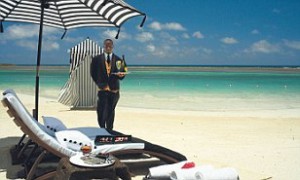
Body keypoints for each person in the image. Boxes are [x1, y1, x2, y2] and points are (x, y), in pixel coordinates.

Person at [90, 39, 127, 130]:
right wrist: (100, 84)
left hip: (114, 91)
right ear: (104, 46)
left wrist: (122, 75)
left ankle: (109, 131)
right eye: (106, 45)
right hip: (102, 90)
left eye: (110, 45)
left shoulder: (119, 60)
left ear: (113, 46)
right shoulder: (96, 59)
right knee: (101, 112)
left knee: (110, 112)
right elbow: (93, 73)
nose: (108, 47)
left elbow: (122, 76)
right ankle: (102, 128)